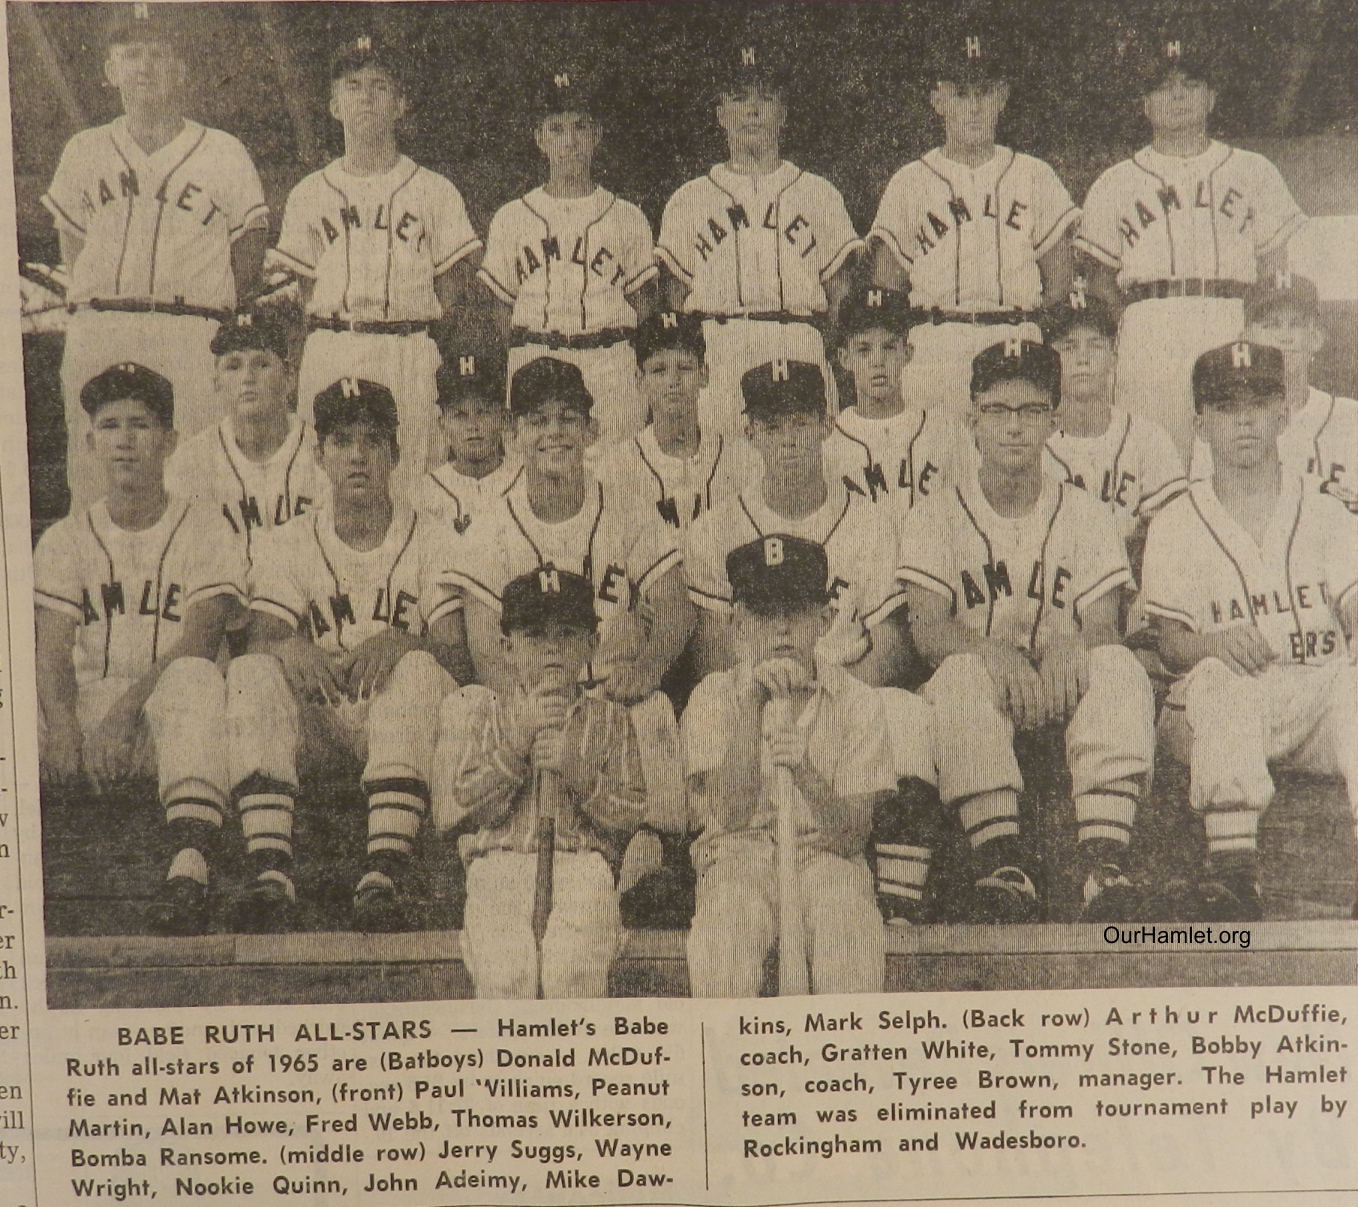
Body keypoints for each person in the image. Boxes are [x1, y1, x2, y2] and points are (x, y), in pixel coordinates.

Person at [899, 340, 1156, 922]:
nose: (1013, 427)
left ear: (1054, 420)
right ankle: (1000, 860)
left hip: (1061, 695)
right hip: (978, 707)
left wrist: (1077, 642)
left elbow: (1104, 624)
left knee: (1117, 664)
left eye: (1030, 411)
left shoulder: (1088, 513)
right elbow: (926, 630)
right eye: (997, 410)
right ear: (971, 419)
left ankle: (1104, 861)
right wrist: (990, 654)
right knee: (961, 671)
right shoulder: (934, 513)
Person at [224, 378, 468, 933]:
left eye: (372, 441)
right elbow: (261, 636)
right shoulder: (288, 540)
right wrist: (289, 647)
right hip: (320, 720)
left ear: (396, 453)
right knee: (253, 671)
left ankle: (384, 869)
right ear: (321, 456)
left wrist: (405, 640)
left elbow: (458, 654)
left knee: (420, 670)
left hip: (401, 725)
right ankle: (269, 870)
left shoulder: (435, 539)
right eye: (342, 442)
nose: (357, 456)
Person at [1142, 340, 1358, 921]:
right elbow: (1169, 646)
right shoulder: (1175, 522)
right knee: (1219, 675)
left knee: (1354, 683)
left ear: (1282, 413)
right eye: (1224, 405)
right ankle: (1233, 873)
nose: (1242, 419)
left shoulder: (1326, 510)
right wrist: (1210, 643)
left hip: (1305, 701)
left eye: (1257, 404)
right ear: (1201, 421)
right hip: (1211, 715)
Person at [440, 356, 692, 845]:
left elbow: (676, 610)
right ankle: (472, 851)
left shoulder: (627, 512)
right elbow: (486, 652)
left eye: (567, 419)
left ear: (591, 429)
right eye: (538, 421)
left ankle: (654, 855)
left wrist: (647, 668)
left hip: (614, 696)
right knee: (467, 707)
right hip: (528, 698)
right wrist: (538, 708)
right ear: (513, 433)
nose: (554, 433)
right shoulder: (491, 528)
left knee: (654, 710)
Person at [33, 364, 246, 936]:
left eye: (141, 425)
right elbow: (50, 651)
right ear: (89, 442)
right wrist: (64, 727)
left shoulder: (207, 528)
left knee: (197, 680)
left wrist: (123, 716)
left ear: (170, 440)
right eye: (109, 426)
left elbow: (200, 641)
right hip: (88, 712)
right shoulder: (63, 539)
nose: (124, 440)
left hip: (167, 713)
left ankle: (190, 863)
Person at [42, 3, 269, 513]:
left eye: (158, 54)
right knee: (96, 483)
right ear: (110, 70)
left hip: (190, 331)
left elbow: (251, 246)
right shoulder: (84, 149)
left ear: (180, 69)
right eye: (131, 53)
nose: (144, 65)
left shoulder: (223, 150)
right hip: (100, 327)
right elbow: (72, 249)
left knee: (197, 481)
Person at [683, 536, 921, 995]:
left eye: (794, 613)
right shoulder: (713, 696)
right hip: (740, 857)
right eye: (765, 615)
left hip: (825, 858)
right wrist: (751, 708)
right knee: (724, 934)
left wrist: (807, 772)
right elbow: (729, 817)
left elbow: (851, 835)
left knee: (847, 929)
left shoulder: (857, 700)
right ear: (738, 624)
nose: (781, 631)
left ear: (824, 619)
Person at [269, 33, 482, 505]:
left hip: (407, 348)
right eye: (353, 85)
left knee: (414, 488)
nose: (366, 97)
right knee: (325, 491)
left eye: (380, 86)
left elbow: (455, 286)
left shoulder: (435, 190)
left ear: (401, 104)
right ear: (333, 104)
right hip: (332, 345)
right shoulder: (309, 193)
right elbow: (302, 289)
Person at [1074, 37, 1307, 458]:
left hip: (1229, 318)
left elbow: (1275, 274)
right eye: (1164, 87)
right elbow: (1099, 286)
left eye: (1191, 84)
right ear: (1144, 103)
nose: (1178, 96)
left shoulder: (1254, 170)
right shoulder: (1115, 181)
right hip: (1149, 327)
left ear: (1211, 97)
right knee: (1150, 452)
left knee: (1229, 455)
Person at [432, 569, 647, 998]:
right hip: (501, 862)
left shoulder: (611, 718)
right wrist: (517, 743)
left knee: (572, 971)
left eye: (568, 634)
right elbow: (478, 806)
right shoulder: (490, 715)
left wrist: (579, 773)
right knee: (507, 974)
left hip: (581, 862)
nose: (552, 648)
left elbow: (626, 817)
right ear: (507, 649)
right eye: (534, 636)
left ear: (592, 643)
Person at [869, 30, 1078, 414]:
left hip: (1015, 337)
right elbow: (885, 288)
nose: (974, 107)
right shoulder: (910, 180)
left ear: (1001, 98)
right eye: (960, 94)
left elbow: (1061, 282)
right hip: (936, 343)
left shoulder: (1035, 175)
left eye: (983, 93)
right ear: (937, 101)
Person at [656, 45, 861, 438]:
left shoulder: (819, 193)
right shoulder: (689, 198)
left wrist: (821, 347)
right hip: (718, 348)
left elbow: (840, 297)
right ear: (720, 114)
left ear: (782, 114)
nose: (752, 110)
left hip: (797, 339)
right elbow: (674, 301)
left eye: (765, 99)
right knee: (720, 474)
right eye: (738, 99)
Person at [685, 361, 909, 686]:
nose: (788, 440)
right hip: (752, 694)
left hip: (844, 692)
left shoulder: (871, 523)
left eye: (800, 423)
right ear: (751, 434)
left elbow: (890, 644)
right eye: (772, 427)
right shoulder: (714, 529)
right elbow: (713, 651)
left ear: (826, 425)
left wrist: (834, 705)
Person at [478, 69, 658, 444]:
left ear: (597, 136)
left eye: (580, 127)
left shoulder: (627, 215)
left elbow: (646, 305)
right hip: (536, 355)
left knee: (617, 474)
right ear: (540, 139)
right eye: (557, 129)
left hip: (609, 361)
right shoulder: (513, 216)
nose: (570, 141)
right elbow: (499, 309)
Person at [164, 309, 323, 566]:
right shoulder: (191, 461)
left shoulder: (322, 453)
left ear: (290, 378)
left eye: (262, 364)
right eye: (233, 366)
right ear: (216, 381)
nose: (248, 378)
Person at [1190, 273, 1358, 511]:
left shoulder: (1351, 418)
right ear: (1245, 338)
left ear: (1317, 337)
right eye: (1271, 325)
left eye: (1296, 324)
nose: (1284, 337)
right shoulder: (1224, 423)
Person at [1040, 287, 1186, 554]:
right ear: (1048, 360)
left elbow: (1172, 530)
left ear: (1113, 359)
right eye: (1068, 347)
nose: (1083, 358)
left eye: (1095, 345)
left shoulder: (1147, 438)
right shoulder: (1032, 441)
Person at [594, 310, 754, 540]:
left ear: (704, 374)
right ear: (640, 381)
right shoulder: (615, 467)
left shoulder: (740, 460)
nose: (673, 381)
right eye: (659, 370)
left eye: (685, 368)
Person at [826, 285, 965, 528]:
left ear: (907, 353)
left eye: (889, 347)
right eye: (863, 349)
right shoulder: (829, 441)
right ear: (844, 358)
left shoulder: (943, 431)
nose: (878, 361)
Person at [413, 346, 520, 538]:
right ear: (442, 423)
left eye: (483, 412)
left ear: (504, 418)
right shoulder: (424, 492)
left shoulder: (525, 481)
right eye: (460, 415)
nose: (473, 425)